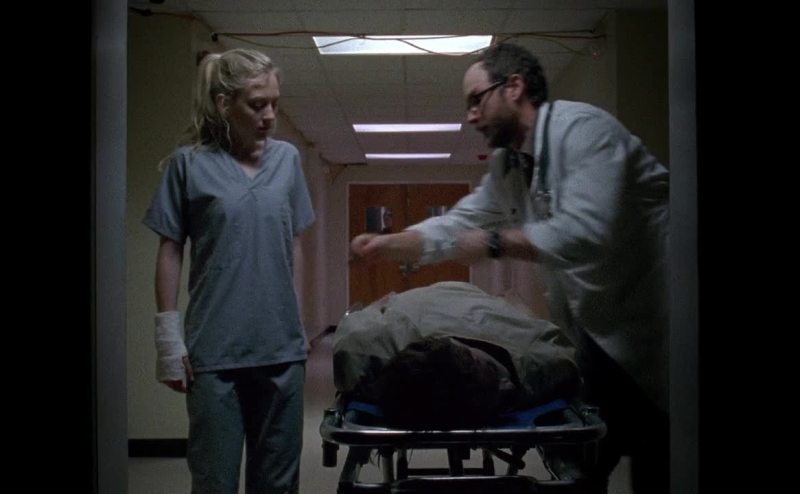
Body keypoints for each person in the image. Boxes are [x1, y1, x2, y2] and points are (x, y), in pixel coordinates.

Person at [350, 42, 669, 493]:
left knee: (661, 463)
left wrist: (494, 242)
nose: (470, 116)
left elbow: (586, 232)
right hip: (599, 333)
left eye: (476, 100)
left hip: (661, 331)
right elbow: (459, 222)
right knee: (585, 465)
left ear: (514, 87)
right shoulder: (509, 164)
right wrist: (389, 244)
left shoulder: (583, 132)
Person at [143, 48, 315, 494]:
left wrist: (296, 319)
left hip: (281, 350)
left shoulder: (287, 160)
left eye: (274, 103)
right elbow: (170, 249)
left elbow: (294, 242)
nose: (270, 115)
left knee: (278, 483)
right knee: (214, 480)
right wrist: (168, 338)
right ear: (224, 104)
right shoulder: (187, 165)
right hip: (215, 352)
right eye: (257, 105)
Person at [332, 281, 582, 430]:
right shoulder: (540, 358)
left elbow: (354, 327)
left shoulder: (368, 351)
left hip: (421, 301)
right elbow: (554, 344)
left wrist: (384, 304)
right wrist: (513, 305)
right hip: (473, 299)